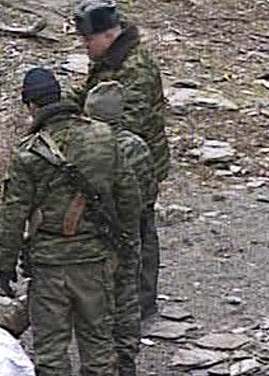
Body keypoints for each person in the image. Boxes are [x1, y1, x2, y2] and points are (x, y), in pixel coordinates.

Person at [0, 68, 141, 376]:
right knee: (98, 347)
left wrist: (5, 265)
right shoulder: (103, 137)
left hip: (48, 265)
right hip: (95, 260)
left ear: (31, 105)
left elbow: (13, 214)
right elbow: (129, 196)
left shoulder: (28, 152)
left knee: (51, 352)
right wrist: (126, 244)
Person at [72, 0, 169, 318]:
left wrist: (85, 135)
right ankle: (121, 294)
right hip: (116, 158)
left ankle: (143, 301)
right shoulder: (109, 58)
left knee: (139, 230)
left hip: (140, 163)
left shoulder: (135, 67)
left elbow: (130, 122)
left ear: (108, 35)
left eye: (89, 39)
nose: (85, 46)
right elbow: (90, 93)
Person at [85, 81, 157, 376]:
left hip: (93, 236)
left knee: (93, 301)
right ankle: (126, 360)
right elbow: (150, 192)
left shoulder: (87, 147)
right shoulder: (137, 146)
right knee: (127, 298)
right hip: (129, 232)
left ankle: (99, 360)